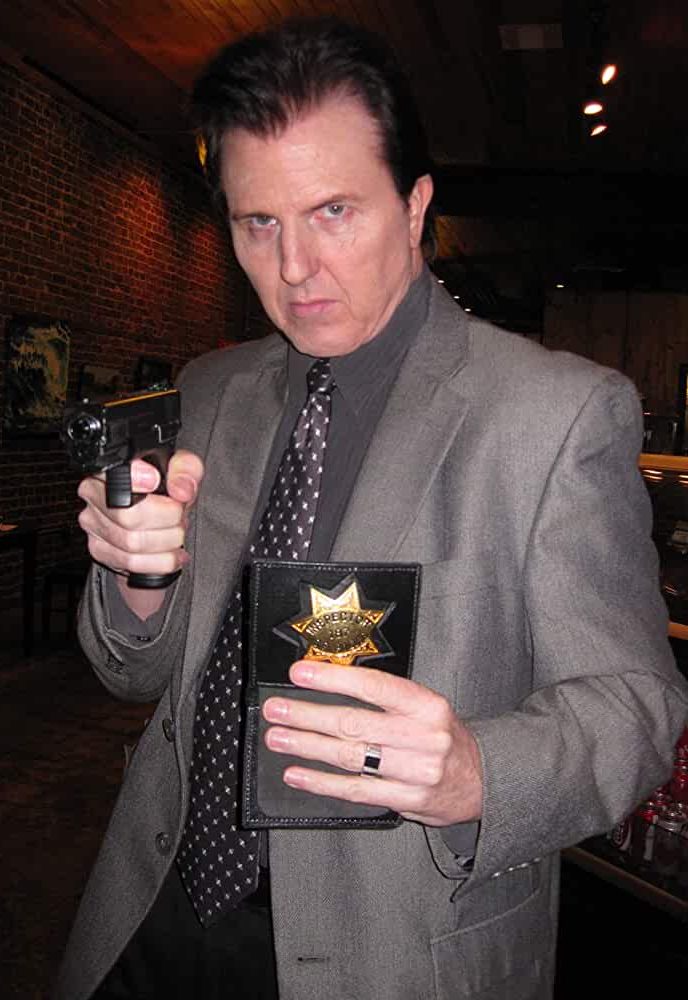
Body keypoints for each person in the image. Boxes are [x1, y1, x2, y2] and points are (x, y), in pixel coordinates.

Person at [54, 17, 688, 1000]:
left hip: (397, 948)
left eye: (334, 211)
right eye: (258, 223)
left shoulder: (555, 414)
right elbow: (132, 675)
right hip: (155, 911)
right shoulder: (212, 390)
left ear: (416, 205)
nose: (294, 266)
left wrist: (478, 771)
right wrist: (140, 579)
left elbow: (637, 705)